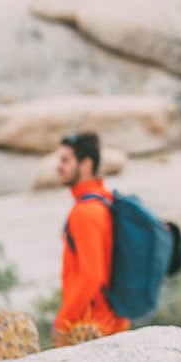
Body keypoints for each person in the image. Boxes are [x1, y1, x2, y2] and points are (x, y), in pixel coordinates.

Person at [53, 131, 128, 346]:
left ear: (85, 164)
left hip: (95, 331)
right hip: (113, 325)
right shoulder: (106, 200)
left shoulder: (84, 212)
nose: (59, 166)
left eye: (65, 160)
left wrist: (62, 323)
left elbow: (91, 276)